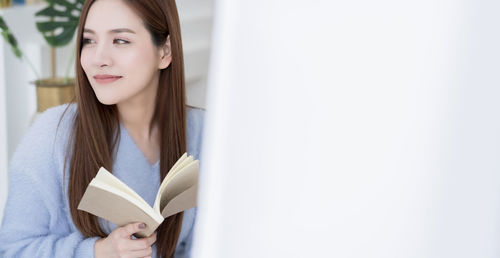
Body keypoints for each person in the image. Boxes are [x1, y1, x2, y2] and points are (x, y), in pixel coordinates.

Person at [0, 0, 204, 257]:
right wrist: (99, 251)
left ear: (164, 51)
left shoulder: (202, 131)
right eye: (89, 40)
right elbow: (12, 250)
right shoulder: (51, 135)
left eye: (120, 40)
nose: (99, 59)